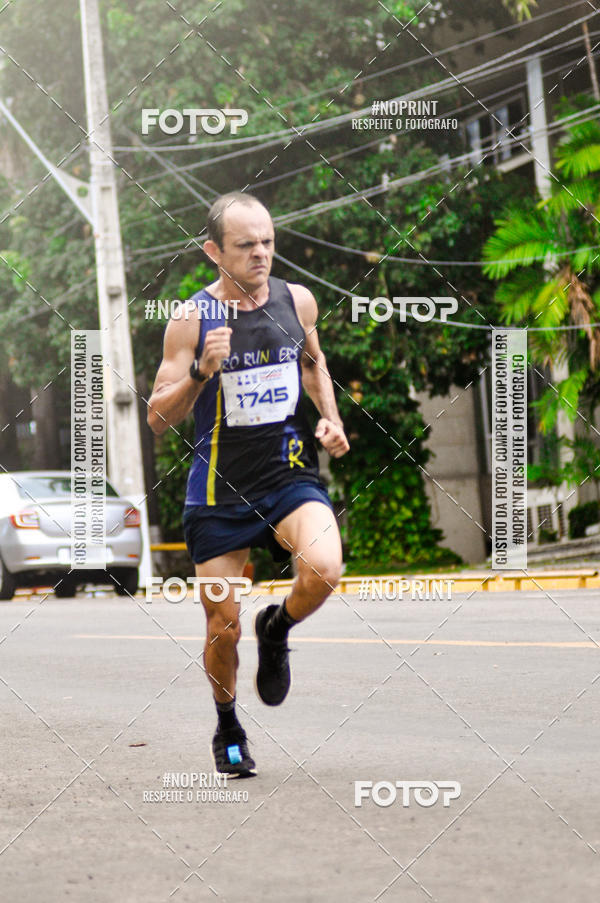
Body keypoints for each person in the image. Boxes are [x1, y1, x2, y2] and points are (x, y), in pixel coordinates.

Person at [147, 191, 349, 776]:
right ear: (214, 251)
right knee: (221, 626)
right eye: (246, 245)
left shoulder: (297, 301)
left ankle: (278, 625)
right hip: (217, 493)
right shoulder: (191, 319)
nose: (261, 253)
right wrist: (198, 371)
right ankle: (228, 725)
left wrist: (330, 418)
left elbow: (313, 365)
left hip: (287, 476)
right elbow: (158, 417)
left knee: (325, 570)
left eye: (268, 241)